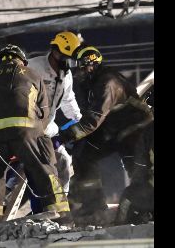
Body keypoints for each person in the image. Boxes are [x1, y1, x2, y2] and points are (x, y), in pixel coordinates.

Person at [0, 44, 70, 227]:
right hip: (26, 132)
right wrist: (36, 137)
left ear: (0, 61)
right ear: (21, 60)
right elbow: (44, 111)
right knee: (45, 170)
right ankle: (62, 216)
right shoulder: (32, 74)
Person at [58, 45, 154, 224]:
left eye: (80, 65)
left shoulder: (108, 83)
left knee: (138, 169)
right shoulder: (90, 83)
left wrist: (64, 136)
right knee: (84, 153)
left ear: (91, 63)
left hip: (135, 129)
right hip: (113, 129)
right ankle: (92, 204)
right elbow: (91, 116)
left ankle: (144, 210)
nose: (77, 70)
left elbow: (94, 119)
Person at [27, 31, 83, 192]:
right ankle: (8, 197)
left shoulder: (66, 75)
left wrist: (79, 119)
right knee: (25, 170)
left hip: (47, 128)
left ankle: (61, 202)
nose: (68, 63)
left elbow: (68, 99)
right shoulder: (32, 67)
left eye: (71, 59)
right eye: (66, 58)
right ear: (55, 51)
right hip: (26, 129)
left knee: (63, 161)